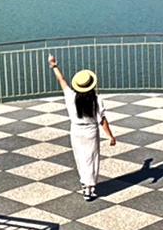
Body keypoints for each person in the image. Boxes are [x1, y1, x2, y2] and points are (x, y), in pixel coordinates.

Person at [48, 53, 117, 200]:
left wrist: (54, 65)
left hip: (76, 130)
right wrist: (110, 136)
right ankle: (89, 188)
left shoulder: (71, 96)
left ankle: (84, 184)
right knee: (92, 158)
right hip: (91, 131)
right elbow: (102, 120)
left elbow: (61, 80)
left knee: (80, 158)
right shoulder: (96, 100)